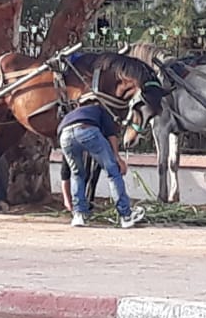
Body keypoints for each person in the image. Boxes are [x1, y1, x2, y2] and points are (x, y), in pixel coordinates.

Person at [57, 92, 145, 228]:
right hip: (87, 130)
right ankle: (126, 216)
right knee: (113, 171)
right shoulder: (100, 110)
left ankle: (78, 215)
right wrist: (117, 158)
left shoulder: (71, 115)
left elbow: (65, 169)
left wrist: (67, 199)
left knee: (77, 173)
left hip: (64, 136)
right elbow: (111, 135)